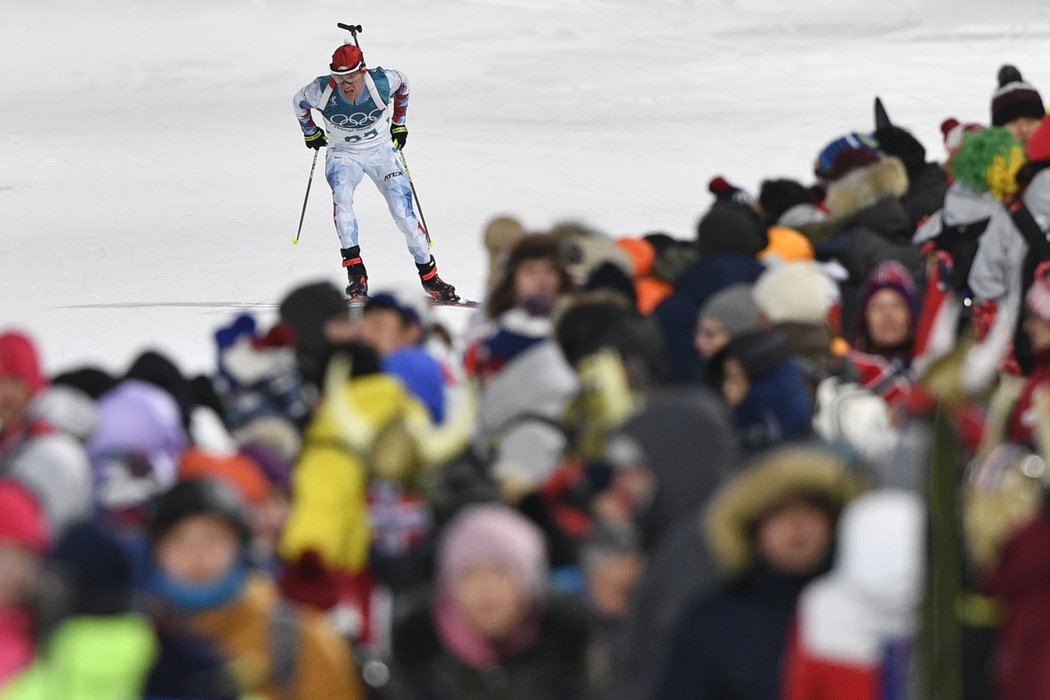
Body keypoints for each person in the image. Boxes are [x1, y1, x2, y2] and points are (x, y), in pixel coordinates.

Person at [293, 41, 457, 302]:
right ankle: (357, 276)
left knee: (404, 216)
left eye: (351, 77)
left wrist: (399, 123)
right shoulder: (321, 89)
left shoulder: (382, 82)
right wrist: (310, 132)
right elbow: (299, 102)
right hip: (343, 155)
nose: (346, 84)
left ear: (363, 71)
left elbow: (404, 84)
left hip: (381, 152)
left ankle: (430, 278)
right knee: (343, 206)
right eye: (339, 77)